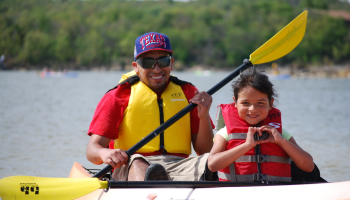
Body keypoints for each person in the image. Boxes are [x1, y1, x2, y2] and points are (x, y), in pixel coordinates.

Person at [86, 32, 214, 181]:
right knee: (138, 163)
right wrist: (104, 154)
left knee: (213, 162)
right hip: (132, 164)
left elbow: (205, 151)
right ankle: (154, 190)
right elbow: (92, 151)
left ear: (171, 64)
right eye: (148, 63)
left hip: (179, 165)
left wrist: (204, 117)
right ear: (136, 67)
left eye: (163, 61)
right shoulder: (118, 96)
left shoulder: (188, 92)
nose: (157, 69)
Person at [208, 67, 315, 182]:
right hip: (237, 191)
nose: (253, 109)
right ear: (235, 103)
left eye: (260, 103)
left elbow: (308, 166)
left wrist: (281, 141)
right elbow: (212, 165)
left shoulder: (280, 134)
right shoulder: (225, 133)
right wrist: (247, 145)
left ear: (271, 103)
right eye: (245, 103)